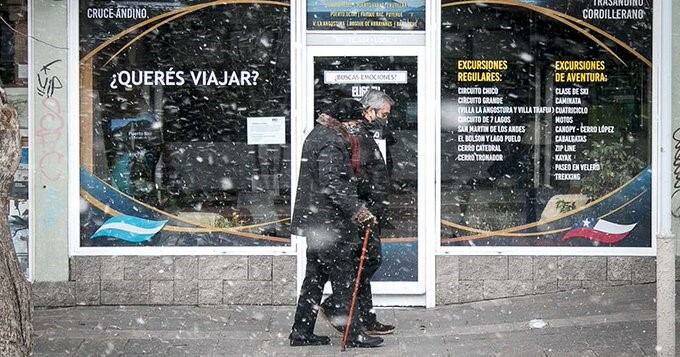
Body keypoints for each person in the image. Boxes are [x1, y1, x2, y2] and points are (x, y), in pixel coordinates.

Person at [289, 99, 383, 348]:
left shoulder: (318, 134)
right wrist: (358, 210)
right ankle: (353, 334)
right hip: (329, 224)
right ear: (344, 120)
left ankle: (301, 331)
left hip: (317, 222)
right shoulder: (331, 140)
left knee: (315, 279)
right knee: (344, 279)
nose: (355, 127)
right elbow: (332, 183)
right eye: (353, 122)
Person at [321, 90, 396, 335]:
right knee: (367, 261)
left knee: (366, 261)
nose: (384, 119)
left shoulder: (363, 131)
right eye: (383, 114)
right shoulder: (354, 131)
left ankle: (365, 316)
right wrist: (364, 204)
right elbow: (358, 171)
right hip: (363, 207)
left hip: (370, 206)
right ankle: (339, 307)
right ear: (369, 110)